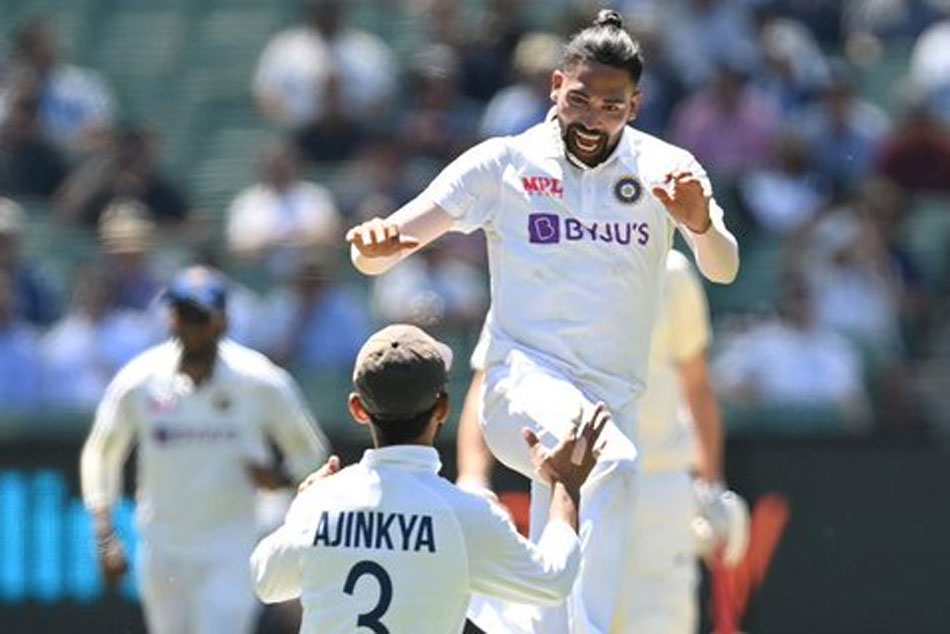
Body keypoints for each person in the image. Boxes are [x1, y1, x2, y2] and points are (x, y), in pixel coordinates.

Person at [345, 10, 739, 633]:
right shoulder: (504, 162)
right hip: (520, 384)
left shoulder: (665, 168)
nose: (591, 119)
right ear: (556, 86)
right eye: (579, 99)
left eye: (611, 106)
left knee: (594, 499)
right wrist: (374, 246)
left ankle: (515, 619)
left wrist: (698, 222)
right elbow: (388, 245)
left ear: (634, 106)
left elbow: (723, 267)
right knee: (607, 459)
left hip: (615, 403)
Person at [458, 251, 750, 633]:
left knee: (660, 624)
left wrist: (710, 482)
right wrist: (472, 478)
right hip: (574, 487)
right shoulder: (536, 258)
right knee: (568, 621)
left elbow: (696, 383)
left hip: (658, 485)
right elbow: (492, 377)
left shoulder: (671, 273)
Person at [250, 323, 609, 633]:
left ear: (358, 409)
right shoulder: (467, 514)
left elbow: (265, 582)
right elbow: (552, 581)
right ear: (442, 408)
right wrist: (565, 487)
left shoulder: (320, 502)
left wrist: (303, 505)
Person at [80, 265, 329, 634]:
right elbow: (102, 452)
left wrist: (281, 479)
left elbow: (310, 451)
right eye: (182, 314)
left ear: (222, 322)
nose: (189, 326)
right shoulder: (141, 380)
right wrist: (105, 533)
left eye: (199, 317)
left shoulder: (259, 380)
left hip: (231, 546)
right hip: (162, 544)